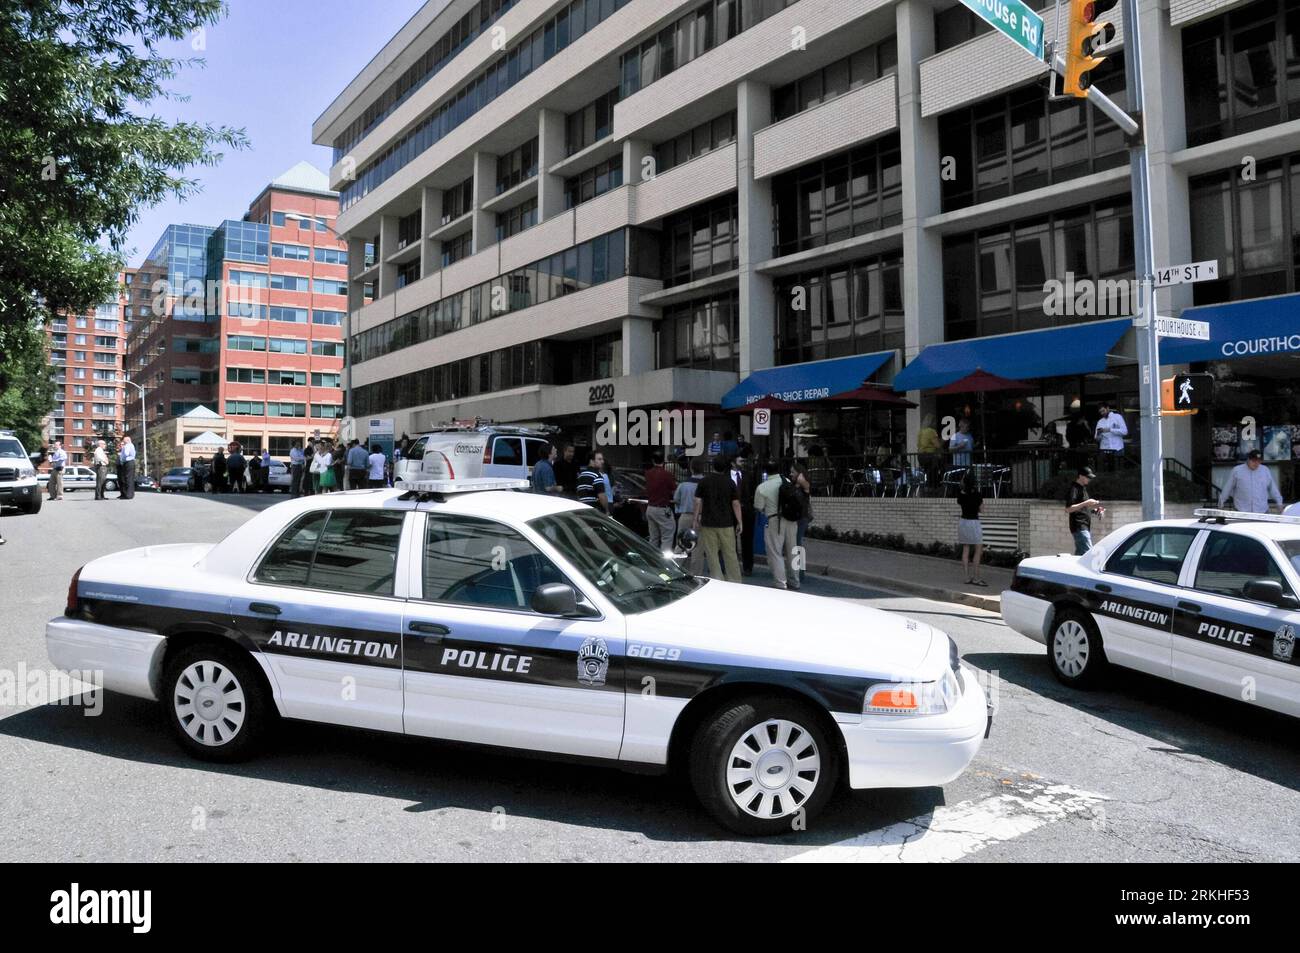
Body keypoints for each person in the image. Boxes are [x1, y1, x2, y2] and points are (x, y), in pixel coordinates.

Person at [693, 458, 742, 583]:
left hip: (708, 522)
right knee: (730, 553)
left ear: (712, 466)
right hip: (727, 523)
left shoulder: (704, 481)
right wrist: (739, 521)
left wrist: (695, 519)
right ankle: (735, 580)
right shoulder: (730, 482)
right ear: (725, 468)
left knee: (712, 554)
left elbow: (698, 501)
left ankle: (717, 579)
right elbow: (735, 503)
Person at [754, 460, 801, 590]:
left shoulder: (762, 487)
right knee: (793, 550)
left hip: (775, 520)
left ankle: (781, 583)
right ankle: (795, 580)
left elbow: (759, 507)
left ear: (765, 472)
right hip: (791, 520)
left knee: (775, 552)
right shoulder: (787, 481)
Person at [1219, 449, 1283, 514]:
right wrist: (1221, 503)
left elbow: (1273, 488)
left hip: (1262, 511)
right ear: (1248, 459)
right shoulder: (1237, 471)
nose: (1256, 463)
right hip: (1241, 511)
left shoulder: (1265, 470)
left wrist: (1279, 503)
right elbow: (1228, 487)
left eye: (1259, 461)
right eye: (1254, 461)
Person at [956, 470, 986, 586]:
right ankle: (977, 578)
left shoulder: (960, 494)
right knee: (978, 550)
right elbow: (982, 510)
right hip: (974, 523)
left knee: (966, 549)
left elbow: (961, 501)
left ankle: (966, 577)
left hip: (963, 522)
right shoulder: (977, 494)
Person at [673, 458, 704, 573]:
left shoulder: (683, 484)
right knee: (699, 548)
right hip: (701, 517)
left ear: (691, 469)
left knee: (681, 544)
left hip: (685, 515)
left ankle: (675, 569)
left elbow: (676, 499)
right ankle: (696, 574)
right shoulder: (705, 483)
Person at [1065, 466, 1103, 555]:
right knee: (1088, 553)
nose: (1089, 479)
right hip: (1079, 525)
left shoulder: (1083, 489)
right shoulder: (1074, 489)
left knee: (1080, 555)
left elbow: (1084, 507)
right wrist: (1086, 503)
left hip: (1084, 526)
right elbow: (1068, 509)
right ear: (1081, 476)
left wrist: (1096, 510)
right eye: (1088, 477)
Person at [644, 450, 677, 551]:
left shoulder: (648, 473)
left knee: (653, 538)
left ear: (653, 460)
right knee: (667, 536)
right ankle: (664, 563)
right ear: (663, 460)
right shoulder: (667, 475)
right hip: (662, 508)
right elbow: (673, 489)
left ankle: (652, 560)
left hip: (650, 507)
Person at [792, 463, 813, 587]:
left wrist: (800, 478)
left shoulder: (804, 485)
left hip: (802, 518)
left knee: (797, 544)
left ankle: (799, 573)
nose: (791, 474)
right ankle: (797, 572)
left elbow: (806, 487)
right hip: (797, 518)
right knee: (796, 544)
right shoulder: (795, 485)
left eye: (793, 472)